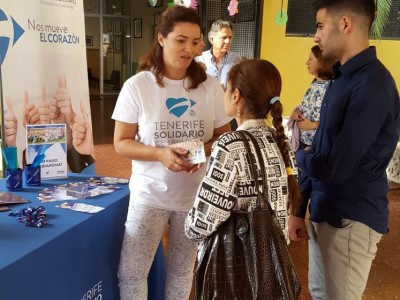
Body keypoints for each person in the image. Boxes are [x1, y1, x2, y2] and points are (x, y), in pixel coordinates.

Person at [111, 5, 231, 300]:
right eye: (181, 40)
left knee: (181, 270)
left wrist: (198, 152)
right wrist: (160, 154)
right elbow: (121, 142)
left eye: (195, 41)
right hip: (149, 193)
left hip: (192, 197)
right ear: (162, 39)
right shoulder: (138, 86)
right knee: (132, 272)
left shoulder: (209, 88)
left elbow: (223, 138)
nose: (189, 49)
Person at [289, 0, 400, 299]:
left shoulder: (372, 86)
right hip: (325, 211)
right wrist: (299, 210)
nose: (316, 37)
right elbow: (322, 151)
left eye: (320, 26)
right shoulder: (340, 78)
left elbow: (335, 166)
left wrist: (298, 154)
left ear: (346, 24)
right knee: (319, 292)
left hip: (351, 220)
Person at [185, 59, 302, 253]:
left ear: (235, 96)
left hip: (237, 262)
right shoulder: (281, 141)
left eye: (226, 89)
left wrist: (189, 227)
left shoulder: (230, 144)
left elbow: (201, 222)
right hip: (274, 259)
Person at [289, 45, 335, 222]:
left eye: (311, 59)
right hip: (304, 143)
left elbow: (335, 119)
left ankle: (310, 221)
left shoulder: (333, 87)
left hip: (316, 147)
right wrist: (297, 113)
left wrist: (313, 124)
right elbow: (308, 105)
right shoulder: (315, 83)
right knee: (302, 185)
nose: (306, 62)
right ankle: (297, 217)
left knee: (311, 185)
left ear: (323, 62)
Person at [196, 20, 241, 129]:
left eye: (230, 38)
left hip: (229, 114)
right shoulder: (198, 59)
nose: (227, 41)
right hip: (204, 112)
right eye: (224, 37)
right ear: (212, 39)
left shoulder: (237, 61)